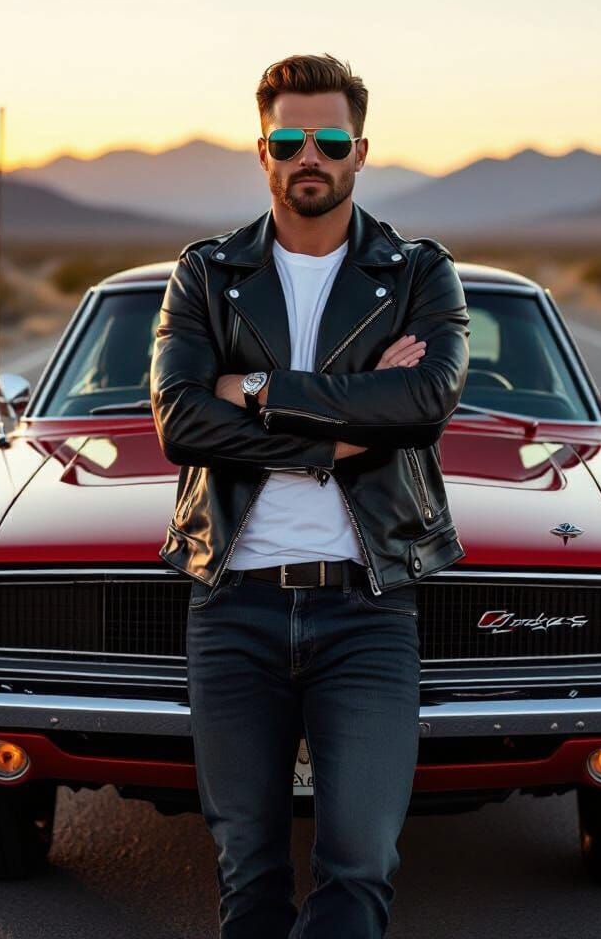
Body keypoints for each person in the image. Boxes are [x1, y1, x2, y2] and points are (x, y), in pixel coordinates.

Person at [149, 52, 470, 939]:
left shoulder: (416, 272)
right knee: (248, 875)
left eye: (329, 139)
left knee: (360, 868)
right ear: (262, 150)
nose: (309, 156)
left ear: (361, 150)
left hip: (367, 610)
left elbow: (426, 401)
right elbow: (179, 421)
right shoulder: (207, 274)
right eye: (289, 139)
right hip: (233, 605)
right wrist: (348, 427)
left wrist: (251, 389)